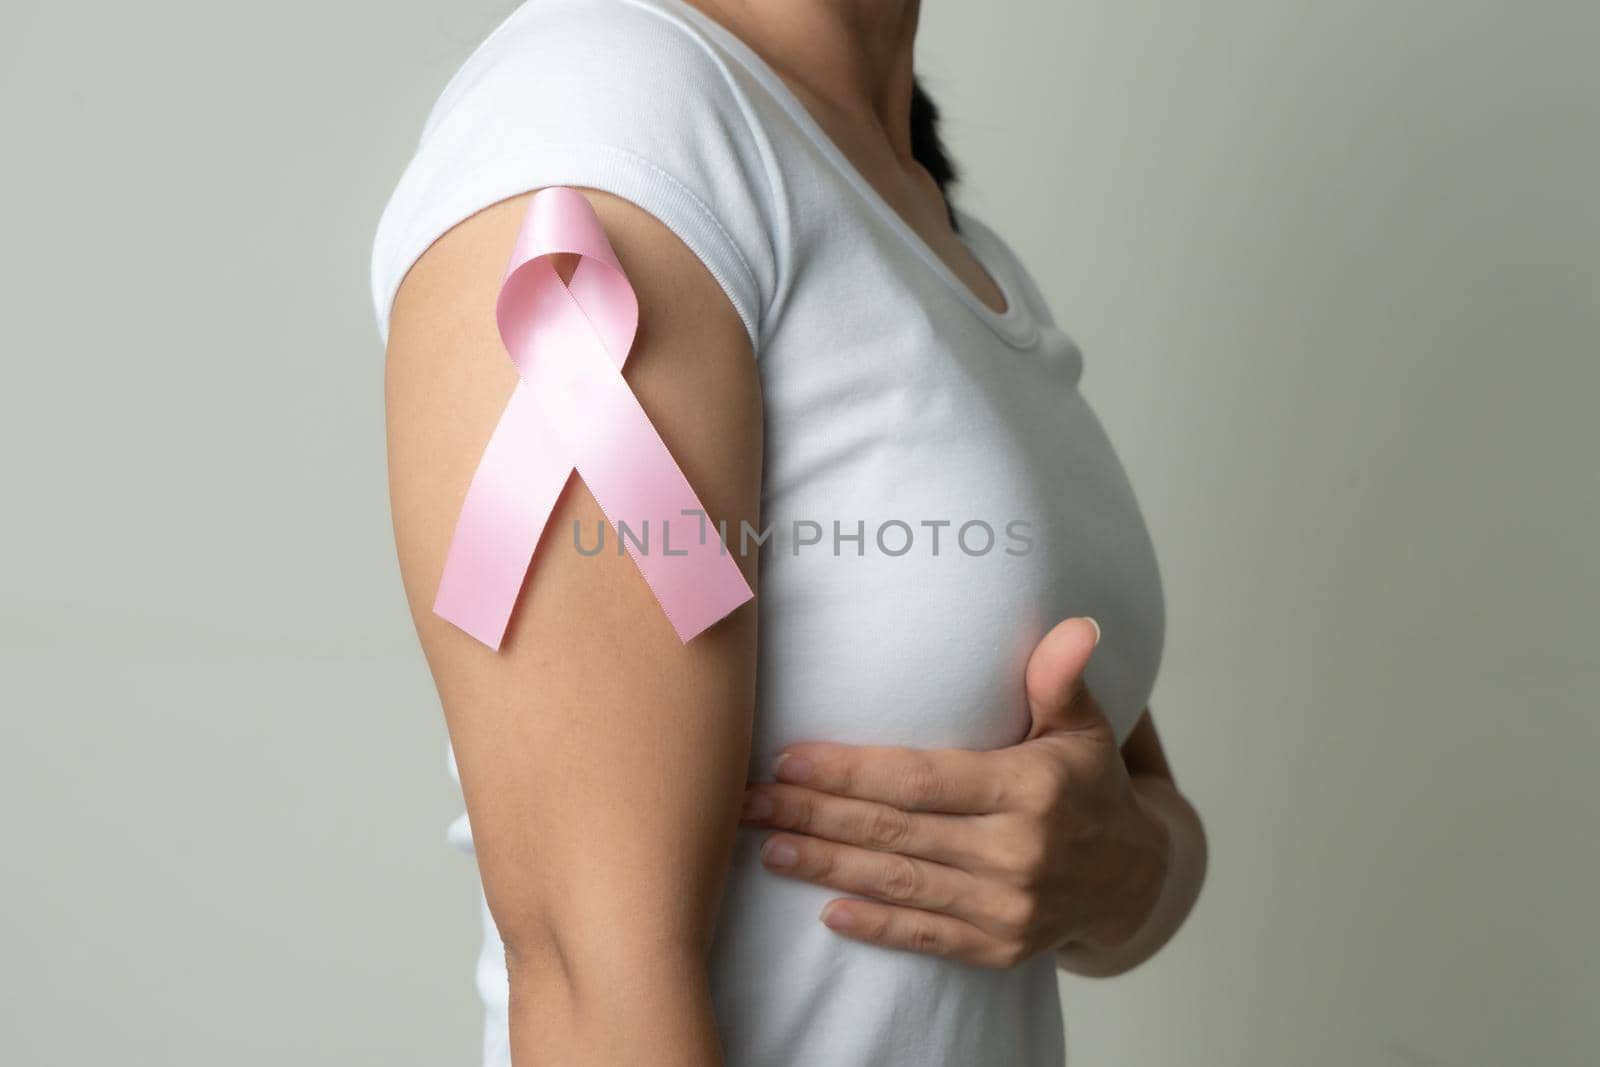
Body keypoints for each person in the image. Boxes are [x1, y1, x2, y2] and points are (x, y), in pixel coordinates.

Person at [372, 0, 1208, 1063]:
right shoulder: (612, 123)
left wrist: (1124, 865)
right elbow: (597, 984)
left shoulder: (936, 226)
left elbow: (1130, 825)